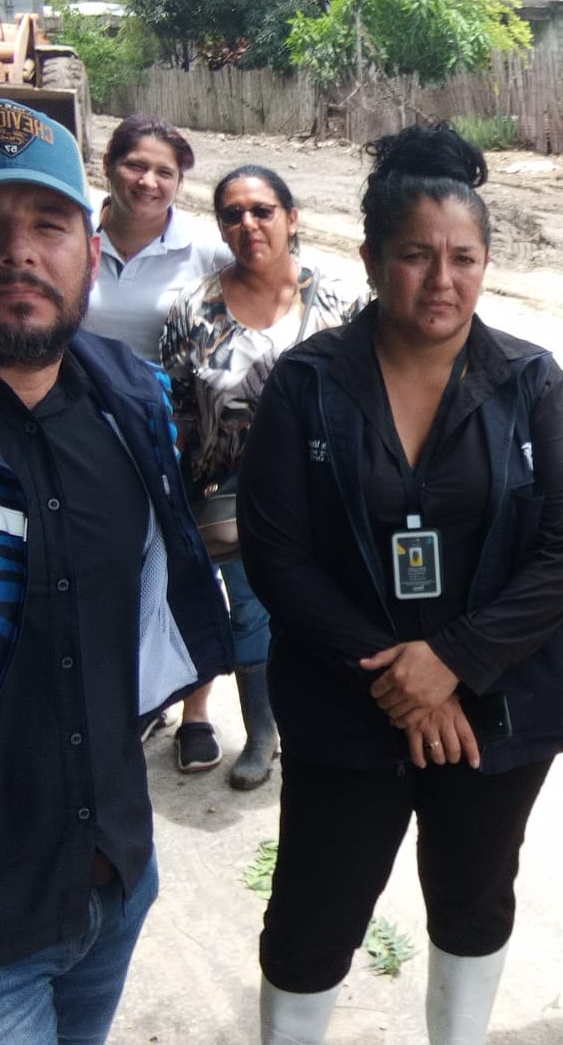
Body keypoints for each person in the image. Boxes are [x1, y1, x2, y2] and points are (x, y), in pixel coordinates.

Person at [237, 123, 563, 1045]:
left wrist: (453, 662)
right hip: (345, 700)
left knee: (475, 894)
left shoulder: (529, 380)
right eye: (415, 255)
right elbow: (276, 553)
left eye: (463, 258)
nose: (442, 280)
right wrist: (401, 679)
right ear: (371, 260)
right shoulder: (308, 383)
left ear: (485, 264)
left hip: (495, 704)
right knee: (315, 909)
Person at [0, 99, 231, 1043]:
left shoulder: (132, 403)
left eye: (48, 224)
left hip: (111, 884)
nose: (18, 253)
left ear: (89, 248)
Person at [160, 165, 363, 789]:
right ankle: (262, 734)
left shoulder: (341, 303)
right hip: (236, 501)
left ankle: (331, 729)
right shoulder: (194, 309)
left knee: (330, 609)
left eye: (262, 210)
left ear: (291, 217)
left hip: (329, 495)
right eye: (232, 214)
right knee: (250, 613)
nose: (248, 224)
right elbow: (179, 408)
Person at [82, 113, 232, 774]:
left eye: (164, 172)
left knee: (184, 565)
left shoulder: (203, 252)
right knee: (106, 567)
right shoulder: (73, 234)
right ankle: (140, 695)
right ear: (108, 166)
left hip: (171, 438)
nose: (148, 181)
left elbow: (271, 289)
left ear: (179, 182)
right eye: (135, 165)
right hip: (82, 434)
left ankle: (195, 711)